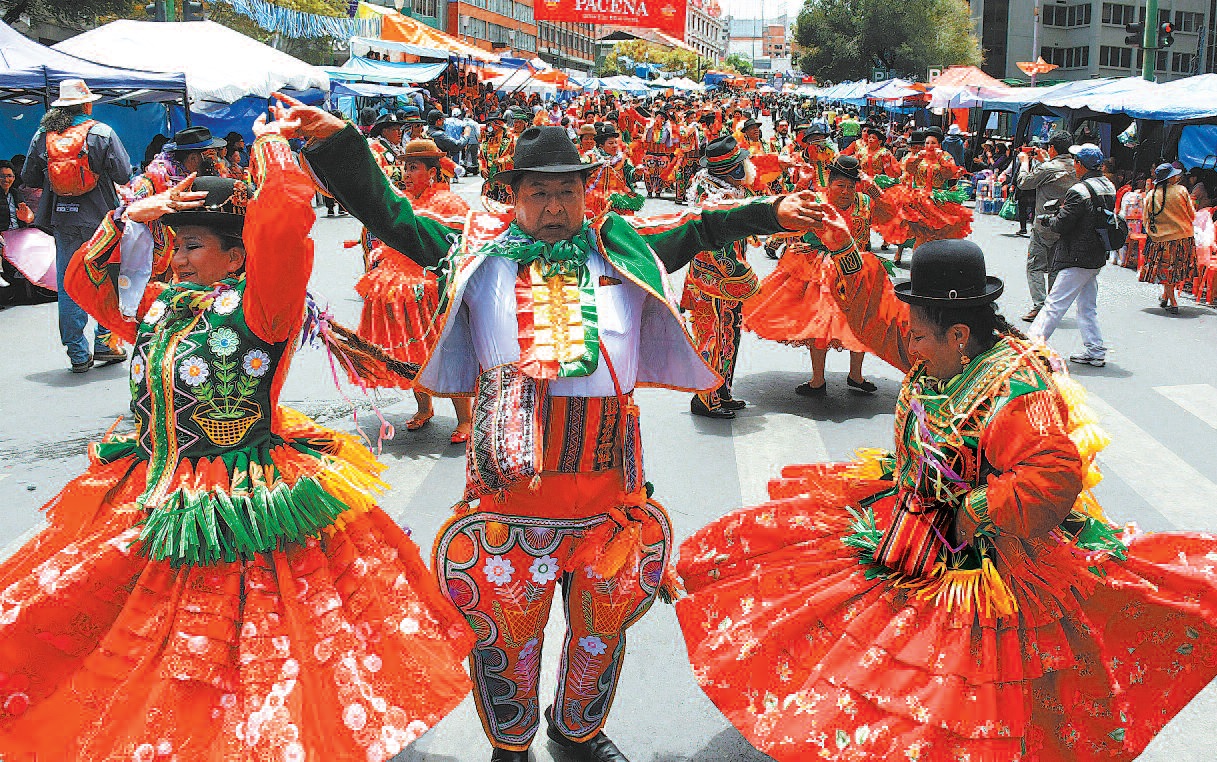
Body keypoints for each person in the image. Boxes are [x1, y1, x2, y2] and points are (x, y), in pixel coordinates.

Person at [287, 95, 825, 762]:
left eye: (565, 191)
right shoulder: (473, 252)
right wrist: (340, 144)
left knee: (600, 628)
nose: (552, 206)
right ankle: (511, 744)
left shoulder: (615, 244)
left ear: (585, 192)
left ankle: (578, 732)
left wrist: (770, 212)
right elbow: (390, 214)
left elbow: (698, 226)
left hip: (609, 487)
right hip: (512, 488)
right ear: (510, 195)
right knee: (506, 632)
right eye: (537, 192)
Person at [0, 115, 474, 761]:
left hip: (234, 496)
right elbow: (84, 280)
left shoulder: (262, 308)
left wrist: (275, 143)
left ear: (236, 254)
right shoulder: (162, 305)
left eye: (192, 244)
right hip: (148, 485)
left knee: (244, 644)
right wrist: (132, 215)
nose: (177, 257)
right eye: (174, 245)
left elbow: (282, 223)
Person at [675, 228, 1217, 762]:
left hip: (978, 561)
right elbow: (879, 320)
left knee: (953, 700)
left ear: (958, 334)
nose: (906, 343)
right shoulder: (933, 350)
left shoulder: (1016, 387)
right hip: (909, 522)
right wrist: (843, 252)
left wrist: (975, 509)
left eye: (917, 334)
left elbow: (1052, 473)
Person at [354, 138, 474, 443]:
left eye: (414, 168)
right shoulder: (403, 200)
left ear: (432, 172)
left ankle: (465, 419)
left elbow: (458, 245)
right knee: (409, 351)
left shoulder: (449, 203)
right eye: (405, 167)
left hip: (431, 288)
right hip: (396, 286)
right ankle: (424, 407)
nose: (406, 173)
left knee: (442, 350)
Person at [22, 78, 132, 373]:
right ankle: (105, 342)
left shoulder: (43, 135)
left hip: (63, 218)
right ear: (87, 104)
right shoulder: (102, 132)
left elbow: (29, 179)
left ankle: (77, 353)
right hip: (102, 220)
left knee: (68, 283)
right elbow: (123, 174)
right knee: (106, 279)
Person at [745, 156, 877, 398]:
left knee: (861, 322)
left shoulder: (865, 203)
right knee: (820, 324)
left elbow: (866, 237)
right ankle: (818, 379)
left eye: (851, 186)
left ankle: (856, 375)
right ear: (829, 184)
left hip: (854, 268)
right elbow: (790, 226)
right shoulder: (815, 201)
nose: (846, 192)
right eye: (841, 186)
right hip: (817, 269)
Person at [681, 136, 762, 420]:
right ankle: (705, 397)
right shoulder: (714, 200)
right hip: (712, 281)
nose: (747, 167)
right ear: (732, 170)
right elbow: (717, 247)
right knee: (711, 337)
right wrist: (742, 276)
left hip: (726, 284)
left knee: (729, 334)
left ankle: (722, 390)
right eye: (742, 163)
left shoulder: (729, 192)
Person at [1028, 143, 1113, 367]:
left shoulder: (1079, 191)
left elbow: (1062, 224)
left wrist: (1048, 219)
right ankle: (1095, 350)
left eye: (1076, 161)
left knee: (1054, 304)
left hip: (1076, 255)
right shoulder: (1108, 186)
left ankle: (1030, 346)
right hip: (1096, 255)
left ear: (1080, 165)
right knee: (1087, 306)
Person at [1016, 131, 1076, 322]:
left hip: (1044, 225)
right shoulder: (1077, 167)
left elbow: (1024, 183)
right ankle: (1052, 306)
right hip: (1067, 224)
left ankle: (1040, 305)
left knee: (1035, 266)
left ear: (1052, 147)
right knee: (1055, 268)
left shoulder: (1049, 167)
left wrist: (1025, 162)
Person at [1141, 162, 1198, 314]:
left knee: (1166, 271)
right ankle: (1172, 300)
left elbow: (1146, 220)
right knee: (1174, 271)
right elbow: (1192, 215)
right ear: (1170, 178)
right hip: (1182, 237)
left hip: (1160, 240)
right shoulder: (1181, 191)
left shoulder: (1151, 196)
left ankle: (1168, 297)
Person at [128, 126, 227, 201]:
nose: (215, 160)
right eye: (211, 154)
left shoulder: (189, 176)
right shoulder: (156, 180)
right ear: (193, 158)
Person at [584, 124, 643, 217]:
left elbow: (630, 175)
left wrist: (637, 172)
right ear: (601, 145)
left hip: (618, 199)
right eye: (611, 143)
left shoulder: (622, 159)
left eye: (616, 142)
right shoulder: (590, 158)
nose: (615, 146)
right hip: (594, 199)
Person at [479, 111, 515, 204]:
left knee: (505, 205)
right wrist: (482, 168)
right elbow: (481, 158)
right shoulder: (486, 143)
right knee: (490, 204)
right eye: (488, 125)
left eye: (492, 124)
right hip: (490, 181)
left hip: (504, 179)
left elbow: (514, 155)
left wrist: (502, 160)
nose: (489, 128)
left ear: (499, 125)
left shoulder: (509, 141)